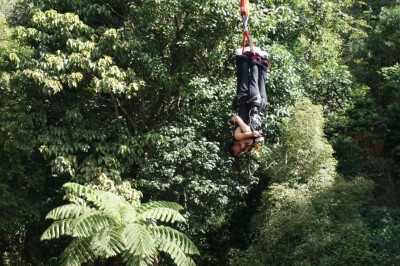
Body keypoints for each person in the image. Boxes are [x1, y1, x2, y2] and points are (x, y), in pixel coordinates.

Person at [227, 47, 270, 156]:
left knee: (245, 79)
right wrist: (256, 138)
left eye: (237, 151)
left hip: (243, 103)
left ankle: (245, 58)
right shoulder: (247, 140)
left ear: (235, 147)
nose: (241, 150)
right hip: (254, 106)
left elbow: (243, 126)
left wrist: (253, 135)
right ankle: (261, 61)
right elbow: (253, 134)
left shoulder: (237, 136)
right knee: (255, 82)